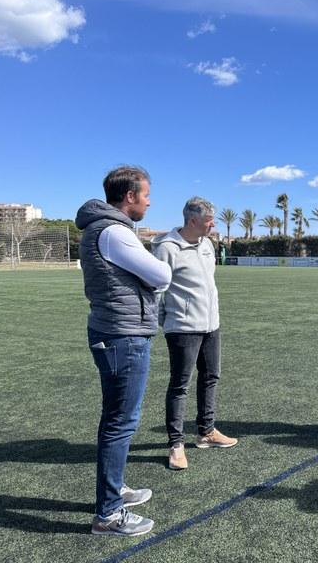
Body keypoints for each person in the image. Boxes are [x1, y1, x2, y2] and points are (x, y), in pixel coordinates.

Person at [76, 166, 172, 536]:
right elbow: (162, 275)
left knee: (116, 419)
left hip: (115, 331)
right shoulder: (114, 232)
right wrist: (151, 278)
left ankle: (114, 491)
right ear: (129, 196)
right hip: (123, 335)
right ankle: (108, 514)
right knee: (120, 422)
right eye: (146, 195)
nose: (149, 201)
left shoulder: (103, 229)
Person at [152, 197, 238, 471]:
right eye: (209, 220)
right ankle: (176, 444)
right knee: (180, 385)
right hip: (182, 329)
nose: (213, 225)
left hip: (211, 325)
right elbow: (156, 291)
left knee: (211, 377)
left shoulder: (207, 245)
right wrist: (169, 322)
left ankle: (206, 432)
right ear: (192, 220)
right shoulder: (167, 248)